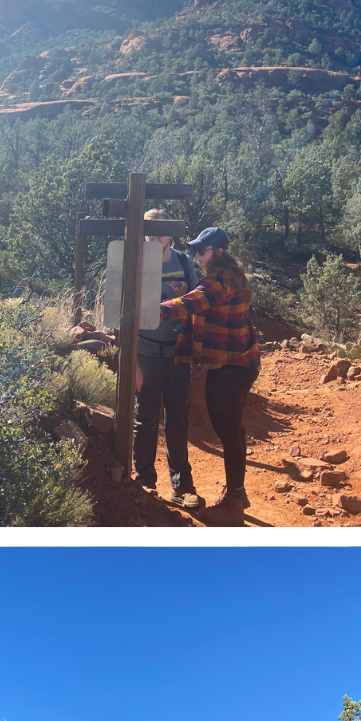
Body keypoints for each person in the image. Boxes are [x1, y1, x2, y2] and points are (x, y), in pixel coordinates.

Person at [158, 226, 261, 526]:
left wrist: (151, 310)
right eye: (195, 251)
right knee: (234, 430)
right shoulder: (233, 275)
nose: (197, 256)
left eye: (201, 251)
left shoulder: (219, 280)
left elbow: (191, 302)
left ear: (217, 252)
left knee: (228, 433)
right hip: (242, 363)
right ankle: (237, 494)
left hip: (229, 366)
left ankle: (232, 507)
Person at [133, 209, 202, 509]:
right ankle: (145, 480)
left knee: (177, 421)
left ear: (169, 235)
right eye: (150, 232)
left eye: (160, 231)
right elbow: (124, 316)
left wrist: (197, 352)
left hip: (178, 357)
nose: (154, 237)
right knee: (144, 420)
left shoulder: (185, 263)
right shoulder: (135, 264)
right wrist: (133, 364)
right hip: (146, 353)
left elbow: (199, 306)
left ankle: (182, 486)